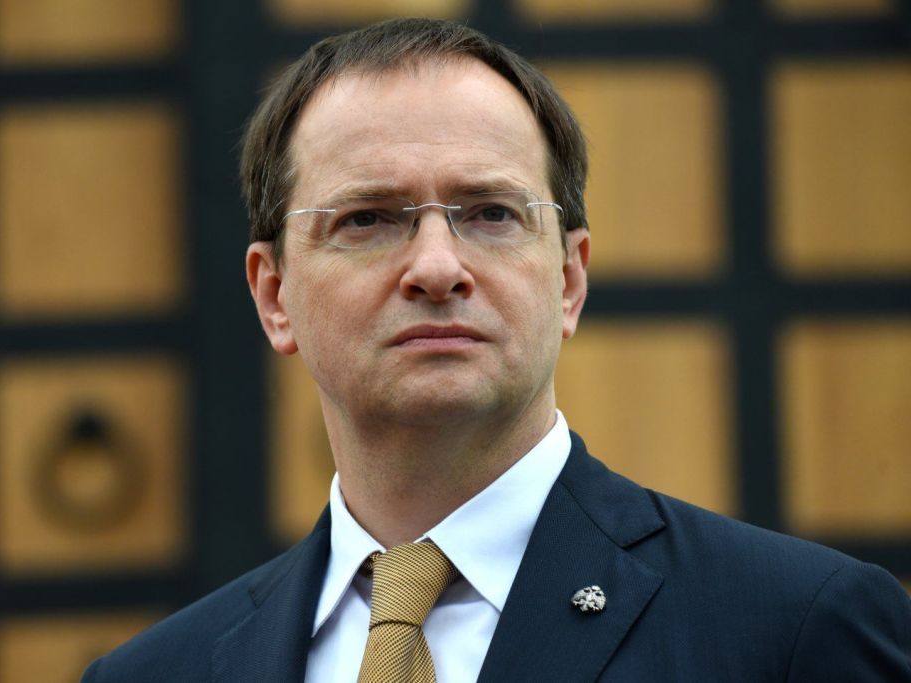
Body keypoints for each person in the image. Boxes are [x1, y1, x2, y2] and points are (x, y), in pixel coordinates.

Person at [82, 17, 911, 682]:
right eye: (367, 219)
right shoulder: (157, 672)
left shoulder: (796, 630)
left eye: (490, 213)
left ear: (569, 280)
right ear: (273, 296)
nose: (437, 267)